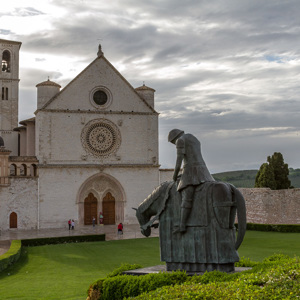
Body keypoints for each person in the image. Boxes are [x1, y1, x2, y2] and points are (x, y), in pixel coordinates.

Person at [168, 129, 215, 233]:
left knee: (186, 196)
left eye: (172, 142)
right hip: (203, 170)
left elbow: (179, 161)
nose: (174, 144)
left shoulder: (180, 140)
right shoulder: (194, 138)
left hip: (191, 171)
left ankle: (182, 225)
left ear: (174, 139)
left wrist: (175, 175)